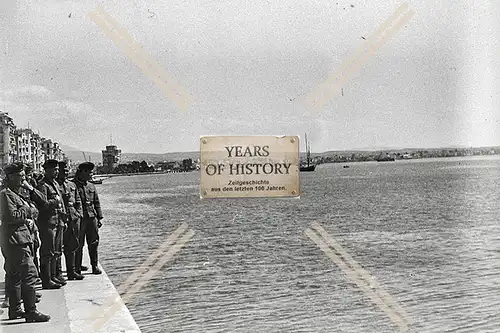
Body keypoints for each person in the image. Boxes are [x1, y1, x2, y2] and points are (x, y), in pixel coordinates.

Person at [0, 163, 50, 322]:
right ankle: (31, 311)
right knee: (29, 275)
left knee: (15, 276)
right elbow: (11, 216)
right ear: (11, 177)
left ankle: (15, 310)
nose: (24, 179)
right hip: (17, 241)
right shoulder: (6, 195)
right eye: (20, 176)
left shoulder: (14, 194)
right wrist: (28, 211)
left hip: (18, 239)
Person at [36, 159, 66, 289]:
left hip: (57, 221)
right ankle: (46, 280)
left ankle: (53, 276)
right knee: (47, 252)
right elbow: (43, 205)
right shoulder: (42, 185)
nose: (57, 172)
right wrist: (54, 200)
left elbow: (62, 203)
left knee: (56, 250)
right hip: (48, 222)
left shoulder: (54, 184)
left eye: (57, 169)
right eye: (54, 169)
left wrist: (64, 219)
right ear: (46, 170)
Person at [72, 162, 103, 275]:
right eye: (89, 172)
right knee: (78, 244)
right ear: (82, 172)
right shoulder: (73, 185)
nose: (91, 174)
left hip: (91, 218)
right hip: (79, 219)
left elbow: (96, 202)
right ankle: (77, 267)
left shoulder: (91, 186)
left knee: (94, 242)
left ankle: (94, 265)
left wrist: (99, 217)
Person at [57, 161, 84, 280]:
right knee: (57, 248)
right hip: (61, 219)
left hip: (73, 218)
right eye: (64, 171)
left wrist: (79, 214)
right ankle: (57, 273)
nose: (66, 173)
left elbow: (78, 201)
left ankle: (71, 271)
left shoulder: (71, 185)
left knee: (73, 245)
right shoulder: (55, 185)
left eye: (67, 171)